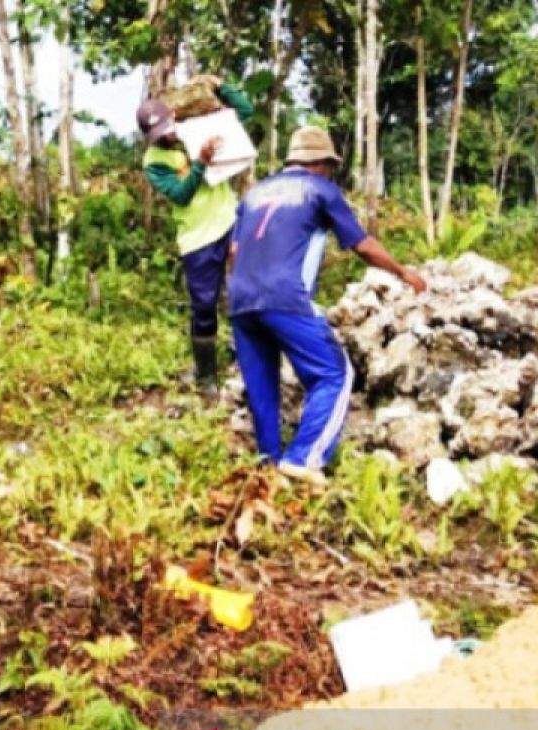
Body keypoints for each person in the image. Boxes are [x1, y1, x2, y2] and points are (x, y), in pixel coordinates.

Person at [228, 127, 427, 486]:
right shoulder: (320, 189)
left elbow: (233, 252)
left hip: (241, 300)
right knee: (334, 374)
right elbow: (362, 245)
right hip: (285, 296)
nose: (331, 173)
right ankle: (304, 458)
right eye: (330, 166)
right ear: (320, 163)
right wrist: (402, 271)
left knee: (262, 386)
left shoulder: (253, 194)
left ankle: (268, 467)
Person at [139, 74, 254, 396]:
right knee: (204, 307)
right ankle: (206, 376)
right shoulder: (154, 162)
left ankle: (248, 358)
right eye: (157, 135)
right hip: (197, 239)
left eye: (167, 129)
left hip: (229, 222)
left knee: (244, 294)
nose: (166, 138)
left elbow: (244, 112)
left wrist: (220, 86)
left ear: (173, 116)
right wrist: (201, 162)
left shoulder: (198, 128)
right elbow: (181, 194)